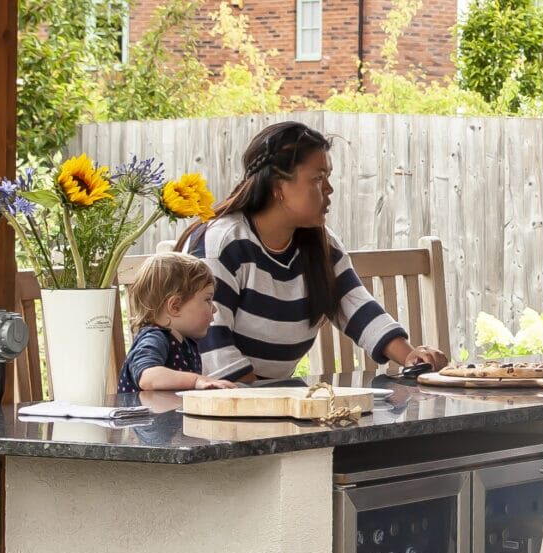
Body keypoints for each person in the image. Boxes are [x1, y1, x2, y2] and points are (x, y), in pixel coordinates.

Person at [184, 121, 449, 383]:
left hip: (269, 399)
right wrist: (269, 400)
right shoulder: (221, 243)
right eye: (318, 178)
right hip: (210, 401)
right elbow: (211, 347)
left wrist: (411, 356)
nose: (329, 188)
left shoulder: (321, 245)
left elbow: (355, 306)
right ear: (278, 186)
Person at [115, 252, 236, 400]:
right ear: (175, 307)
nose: (214, 309)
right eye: (207, 299)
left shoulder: (185, 342)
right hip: (145, 421)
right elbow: (147, 376)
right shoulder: (154, 338)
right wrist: (196, 380)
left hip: (165, 419)